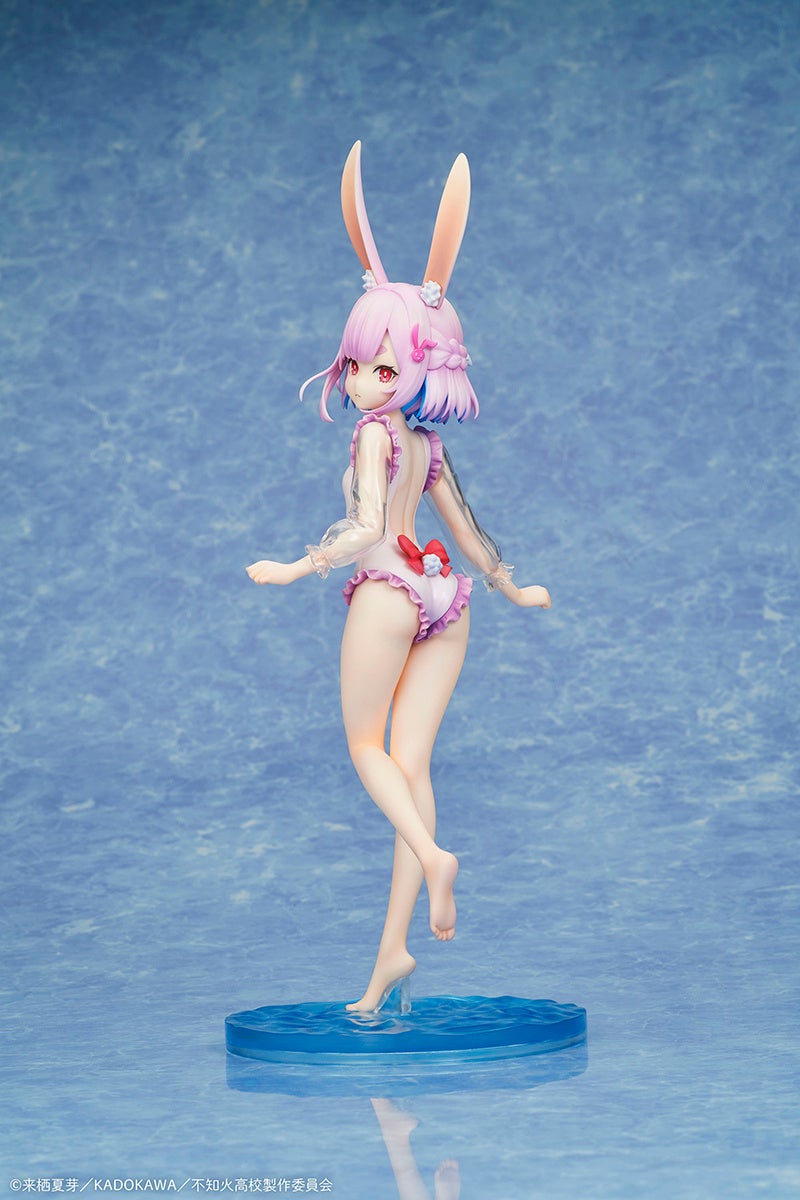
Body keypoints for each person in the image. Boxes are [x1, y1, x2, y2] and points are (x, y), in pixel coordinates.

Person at [247, 143, 550, 1013]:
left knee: (366, 749)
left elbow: (370, 528)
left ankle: (433, 854)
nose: (362, 381)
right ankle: (391, 955)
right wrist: (508, 584)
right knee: (411, 763)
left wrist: (298, 565)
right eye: (358, 365)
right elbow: (465, 528)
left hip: (388, 590)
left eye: (382, 368)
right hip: (448, 596)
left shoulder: (377, 434)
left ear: (417, 368)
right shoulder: (429, 442)